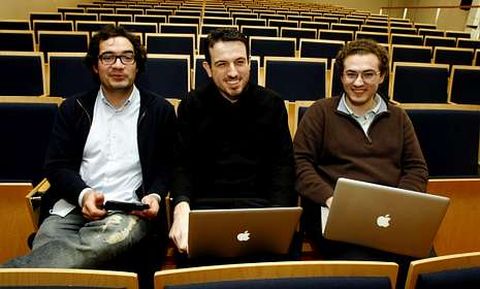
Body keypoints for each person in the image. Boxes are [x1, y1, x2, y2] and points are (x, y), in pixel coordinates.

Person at [2, 25, 176, 269]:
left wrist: (155, 195)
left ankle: (12, 273)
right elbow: (56, 166)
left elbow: (167, 166)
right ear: (96, 65)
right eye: (108, 57)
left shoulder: (160, 111)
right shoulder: (73, 109)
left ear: (137, 64)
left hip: (127, 213)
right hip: (72, 206)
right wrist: (84, 195)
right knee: (49, 239)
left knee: (103, 241)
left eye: (127, 56)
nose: (118, 64)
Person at [293, 39, 429, 287]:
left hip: (390, 214)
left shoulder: (398, 116)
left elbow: (416, 168)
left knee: (426, 268)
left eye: (368, 74)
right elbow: (300, 164)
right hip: (335, 211)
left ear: (382, 76)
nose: (358, 83)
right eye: (351, 74)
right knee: (368, 274)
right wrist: (331, 198)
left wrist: (402, 203)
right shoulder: (320, 112)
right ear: (341, 76)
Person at [168, 28, 296, 261]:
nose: (233, 73)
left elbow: (283, 167)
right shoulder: (191, 105)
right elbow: (181, 166)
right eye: (222, 64)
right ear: (207, 68)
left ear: (250, 63)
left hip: (261, 207)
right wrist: (181, 207)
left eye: (240, 62)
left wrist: (278, 218)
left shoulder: (272, 103)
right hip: (206, 209)